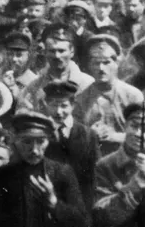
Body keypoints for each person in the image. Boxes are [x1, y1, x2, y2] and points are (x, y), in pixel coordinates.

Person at [0, 110, 91, 227]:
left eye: (40, 141)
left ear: (48, 141)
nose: (34, 150)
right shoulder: (3, 175)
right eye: (27, 141)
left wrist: (54, 203)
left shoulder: (62, 172)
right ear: (16, 141)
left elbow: (81, 222)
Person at [74, 34, 144, 156]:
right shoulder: (81, 99)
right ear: (89, 65)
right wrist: (90, 134)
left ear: (116, 63)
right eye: (96, 63)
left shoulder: (133, 96)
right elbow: (73, 136)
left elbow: (143, 134)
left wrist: (114, 137)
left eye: (106, 62)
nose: (101, 68)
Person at [42, 79, 101, 209]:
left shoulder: (88, 135)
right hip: (45, 204)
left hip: (81, 205)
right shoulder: (40, 134)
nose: (58, 112)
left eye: (63, 106)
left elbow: (95, 175)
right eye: (53, 105)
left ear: (73, 105)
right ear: (46, 104)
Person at [21, 24, 94, 111]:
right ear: (45, 52)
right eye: (52, 51)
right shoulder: (34, 86)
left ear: (72, 52)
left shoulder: (87, 84)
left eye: (61, 51)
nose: (56, 56)